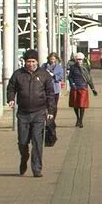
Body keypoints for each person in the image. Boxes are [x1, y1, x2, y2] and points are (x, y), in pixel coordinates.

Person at [7, 49, 55, 177]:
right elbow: (11, 87)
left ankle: (37, 168)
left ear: (37, 61)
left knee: (37, 141)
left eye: (33, 61)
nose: (31, 64)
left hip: (39, 112)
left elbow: (50, 94)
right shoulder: (18, 74)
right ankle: (24, 158)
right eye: (28, 61)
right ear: (25, 62)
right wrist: (11, 99)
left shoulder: (44, 75)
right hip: (23, 113)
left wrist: (51, 111)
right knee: (23, 141)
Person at [67, 52, 97, 128]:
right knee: (75, 105)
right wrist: (72, 84)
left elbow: (89, 78)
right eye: (77, 59)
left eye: (80, 59)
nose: (79, 61)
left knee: (82, 105)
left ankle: (80, 120)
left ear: (83, 59)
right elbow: (70, 77)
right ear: (75, 59)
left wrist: (93, 88)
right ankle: (77, 118)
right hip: (75, 88)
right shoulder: (73, 67)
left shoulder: (86, 67)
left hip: (83, 87)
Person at [41, 53, 64, 146]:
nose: (52, 60)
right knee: (45, 107)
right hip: (45, 90)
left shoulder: (58, 67)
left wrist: (53, 75)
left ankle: (52, 119)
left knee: (53, 106)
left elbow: (60, 77)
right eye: (51, 59)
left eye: (54, 59)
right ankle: (49, 120)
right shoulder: (43, 66)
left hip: (55, 90)